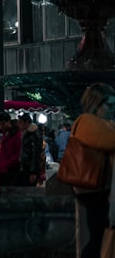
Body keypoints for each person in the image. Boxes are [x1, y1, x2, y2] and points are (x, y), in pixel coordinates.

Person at [70, 82, 115, 258]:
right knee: (97, 239)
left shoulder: (97, 122)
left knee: (99, 237)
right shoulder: (88, 122)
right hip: (95, 191)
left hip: (96, 189)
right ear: (96, 104)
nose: (113, 109)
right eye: (109, 105)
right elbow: (111, 141)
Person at [18, 113, 45, 187]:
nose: (18, 125)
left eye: (20, 122)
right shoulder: (25, 134)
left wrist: (33, 172)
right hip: (25, 167)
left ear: (26, 122)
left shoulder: (34, 134)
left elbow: (35, 153)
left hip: (29, 168)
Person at [0, 111, 23, 187]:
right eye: (0, 124)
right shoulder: (6, 134)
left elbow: (18, 153)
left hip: (12, 169)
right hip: (5, 168)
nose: (1, 126)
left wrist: (7, 163)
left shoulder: (17, 135)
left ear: (9, 122)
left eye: (3, 123)